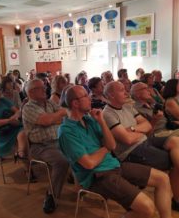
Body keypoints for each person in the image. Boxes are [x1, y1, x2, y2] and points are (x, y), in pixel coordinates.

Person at [103, 81, 179, 217]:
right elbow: (127, 139)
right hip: (131, 151)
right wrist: (139, 131)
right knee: (178, 160)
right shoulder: (108, 114)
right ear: (111, 95)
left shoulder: (127, 107)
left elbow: (148, 126)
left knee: (176, 141)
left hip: (146, 141)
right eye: (121, 90)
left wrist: (132, 129)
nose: (126, 92)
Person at [58, 85, 173, 218]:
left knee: (163, 179)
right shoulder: (66, 131)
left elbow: (112, 144)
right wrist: (106, 148)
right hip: (97, 176)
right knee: (147, 208)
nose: (90, 98)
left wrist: (101, 121)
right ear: (75, 103)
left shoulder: (90, 120)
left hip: (115, 165)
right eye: (85, 96)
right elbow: (89, 164)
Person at [22, 79, 69, 214]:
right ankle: (51, 195)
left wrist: (53, 117)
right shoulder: (28, 107)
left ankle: (84, 184)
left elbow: (65, 114)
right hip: (40, 146)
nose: (45, 89)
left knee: (82, 147)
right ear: (31, 92)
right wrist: (54, 118)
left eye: (44, 87)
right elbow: (46, 120)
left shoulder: (49, 103)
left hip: (59, 141)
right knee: (61, 161)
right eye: (41, 88)